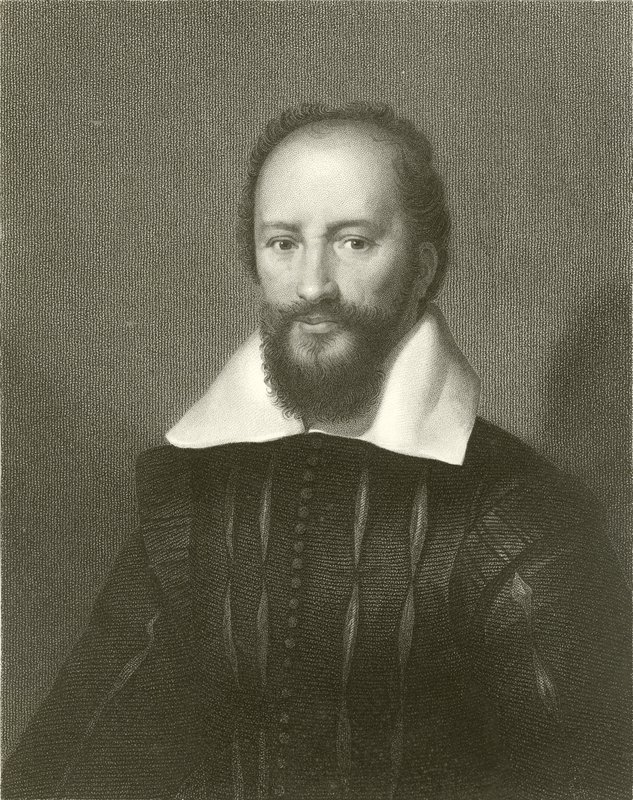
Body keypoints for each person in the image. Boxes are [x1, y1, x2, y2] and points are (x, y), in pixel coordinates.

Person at [3, 102, 630, 800]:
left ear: (422, 266)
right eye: (283, 243)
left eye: (354, 242)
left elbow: (592, 772)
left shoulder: (515, 510)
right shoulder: (188, 498)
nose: (312, 285)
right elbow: (79, 757)